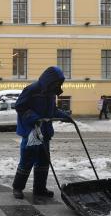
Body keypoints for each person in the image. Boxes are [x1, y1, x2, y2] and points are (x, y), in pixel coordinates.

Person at [12, 66, 71, 199]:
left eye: (59, 83)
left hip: (45, 131)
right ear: (49, 79)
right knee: (27, 160)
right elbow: (20, 106)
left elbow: (53, 110)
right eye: (56, 82)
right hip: (32, 131)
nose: (58, 85)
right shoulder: (32, 89)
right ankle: (18, 187)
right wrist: (34, 118)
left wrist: (65, 116)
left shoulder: (51, 93)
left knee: (44, 161)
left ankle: (39, 188)